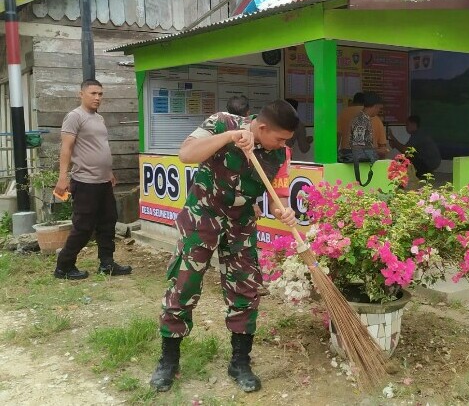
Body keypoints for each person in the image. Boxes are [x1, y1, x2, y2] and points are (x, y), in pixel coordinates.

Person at [149, 99, 299, 394]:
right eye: (280, 138)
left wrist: (284, 211)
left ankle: (240, 362)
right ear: (262, 127)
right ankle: (169, 361)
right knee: (184, 285)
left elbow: (277, 194)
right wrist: (230, 137)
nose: (283, 145)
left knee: (246, 290)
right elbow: (186, 154)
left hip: (241, 224)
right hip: (202, 218)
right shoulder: (222, 123)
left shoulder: (279, 153)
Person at [53, 79, 132, 280]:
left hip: (103, 181)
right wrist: (62, 177)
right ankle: (63, 266)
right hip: (84, 181)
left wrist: (109, 172)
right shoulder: (74, 116)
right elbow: (66, 148)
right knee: (83, 226)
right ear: (81, 94)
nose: (97, 97)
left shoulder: (99, 118)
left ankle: (107, 264)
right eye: (93, 93)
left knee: (108, 223)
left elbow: (99, 147)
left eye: (100, 94)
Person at [337, 92, 388, 159]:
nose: (379, 111)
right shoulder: (360, 121)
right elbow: (357, 149)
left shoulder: (364, 119)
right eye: (379, 108)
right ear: (375, 106)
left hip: (362, 162)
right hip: (358, 163)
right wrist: (378, 151)